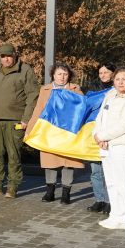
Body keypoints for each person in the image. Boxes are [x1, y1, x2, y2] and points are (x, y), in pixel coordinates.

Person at [25, 62, 84, 205]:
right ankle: (50, 191)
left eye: (65, 74)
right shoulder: (45, 90)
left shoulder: (76, 89)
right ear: (53, 75)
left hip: (68, 132)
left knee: (68, 163)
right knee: (50, 162)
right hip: (49, 132)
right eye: (59, 74)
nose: (62, 77)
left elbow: (82, 109)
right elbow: (38, 110)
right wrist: (29, 131)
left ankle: (66, 193)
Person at [0, 44, 39, 198]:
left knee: (13, 154)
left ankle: (12, 186)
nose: (6, 59)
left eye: (8, 55)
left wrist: (26, 118)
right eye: (2, 56)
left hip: (15, 119)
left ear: (15, 55)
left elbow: (33, 95)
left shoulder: (25, 70)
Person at [93, 67, 125, 230]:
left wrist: (103, 136)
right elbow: (99, 118)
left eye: (124, 79)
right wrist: (97, 135)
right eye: (117, 79)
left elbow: (124, 124)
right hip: (106, 145)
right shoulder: (109, 96)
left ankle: (122, 219)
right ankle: (114, 215)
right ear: (113, 80)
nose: (120, 82)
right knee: (111, 182)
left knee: (121, 183)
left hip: (123, 145)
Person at [86, 61, 115, 214]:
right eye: (100, 72)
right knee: (95, 171)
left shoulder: (117, 88)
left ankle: (110, 202)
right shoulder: (93, 87)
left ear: (112, 73)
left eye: (106, 72)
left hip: (110, 133)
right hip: (94, 133)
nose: (103, 75)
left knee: (109, 171)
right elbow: (88, 106)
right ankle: (99, 200)